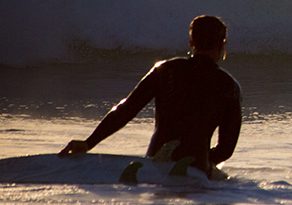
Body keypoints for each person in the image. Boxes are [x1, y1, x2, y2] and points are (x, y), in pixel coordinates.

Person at [58, 15, 242, 178]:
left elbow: (126, 110)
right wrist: (201, 159)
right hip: (196, 166)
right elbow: (226, 149)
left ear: (191, 42)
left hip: (157, 161)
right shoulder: (229, 86)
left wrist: (89, 143)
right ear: (221, 44)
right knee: (228, 181)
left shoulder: (165, 70)